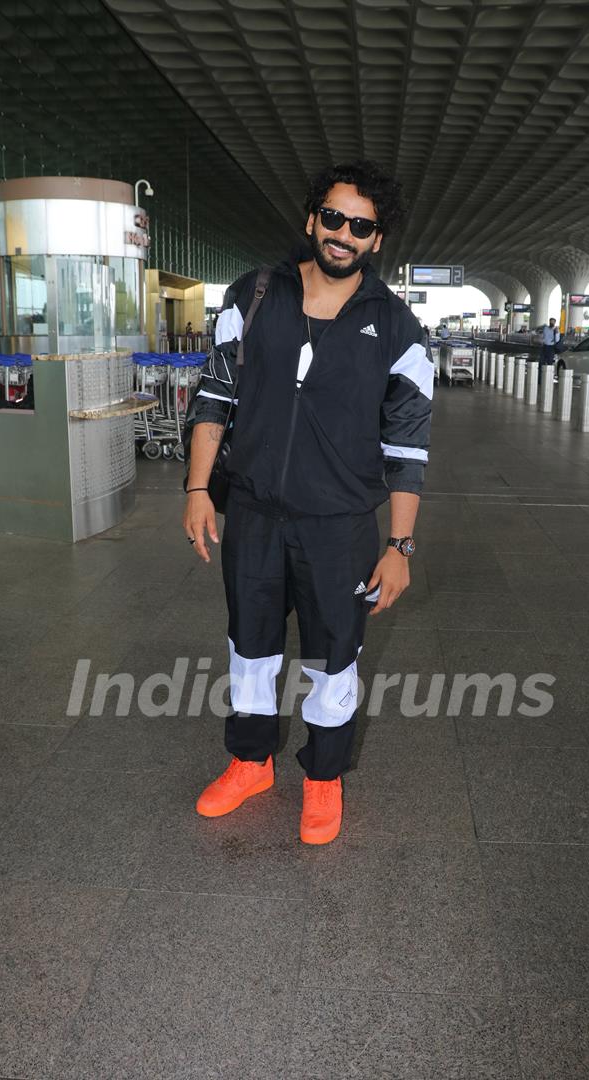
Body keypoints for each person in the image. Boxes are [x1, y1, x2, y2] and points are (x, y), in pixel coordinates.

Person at [183, 160, 433, 845]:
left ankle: (323, 781)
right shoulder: (256, 294)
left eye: (361, 226)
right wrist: (198, 487)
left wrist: (399, 546)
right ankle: (250, 762)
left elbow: (409, 447)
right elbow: (215, 393)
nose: (344, 235)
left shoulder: (399, 329)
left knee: (333, 657)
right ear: (311, 220)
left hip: (339, 526)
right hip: (255, 513)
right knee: (250, 649)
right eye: (333, 218)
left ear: (377, 240)